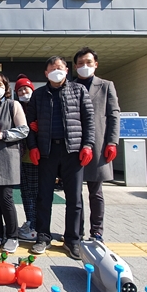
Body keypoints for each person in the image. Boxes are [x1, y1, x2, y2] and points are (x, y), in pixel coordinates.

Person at [25, 56, 95, 260]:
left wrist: (88, 145)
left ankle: (73, 239)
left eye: (60, 68)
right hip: (47, 151)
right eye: (52, 68)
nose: (56, 71)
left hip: (73, 151)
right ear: (46, 73)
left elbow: (89, 120)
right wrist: (33, 146)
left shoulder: (78, 90)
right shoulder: (39, 94)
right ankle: (43, 236)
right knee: (44, 196)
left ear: (66, 70)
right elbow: (29, 123)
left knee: (74, 198)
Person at [73, 47, 120, 241]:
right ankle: (77, 230)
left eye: (88, 62)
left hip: (98, 145)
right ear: (75, 66)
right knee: (74, 193)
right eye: (80, 63)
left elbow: (114, 115)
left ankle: (97, 230)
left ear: (96, 64)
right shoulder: (70, 86)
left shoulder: (106, 86)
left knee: (96, 191)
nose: (84, 66)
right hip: (74, 144)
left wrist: (112, 142)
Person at [0, 73, 29, 254]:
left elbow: (23, 130)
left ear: (6, 87)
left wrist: (1, 135)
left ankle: (12, 236)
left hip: (7, 157)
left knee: (5, 198)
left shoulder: (13, 105)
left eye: (0, 85)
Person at [14, 74, 38, 242]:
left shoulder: (39, 106)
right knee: (25, 191)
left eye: (26, 89)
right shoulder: (17, 108)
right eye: (20, 90)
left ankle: (35, 225)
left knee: (35, 192)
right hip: (21, 156)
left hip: (36, 156)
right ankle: (30, 222)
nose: (23, 92)